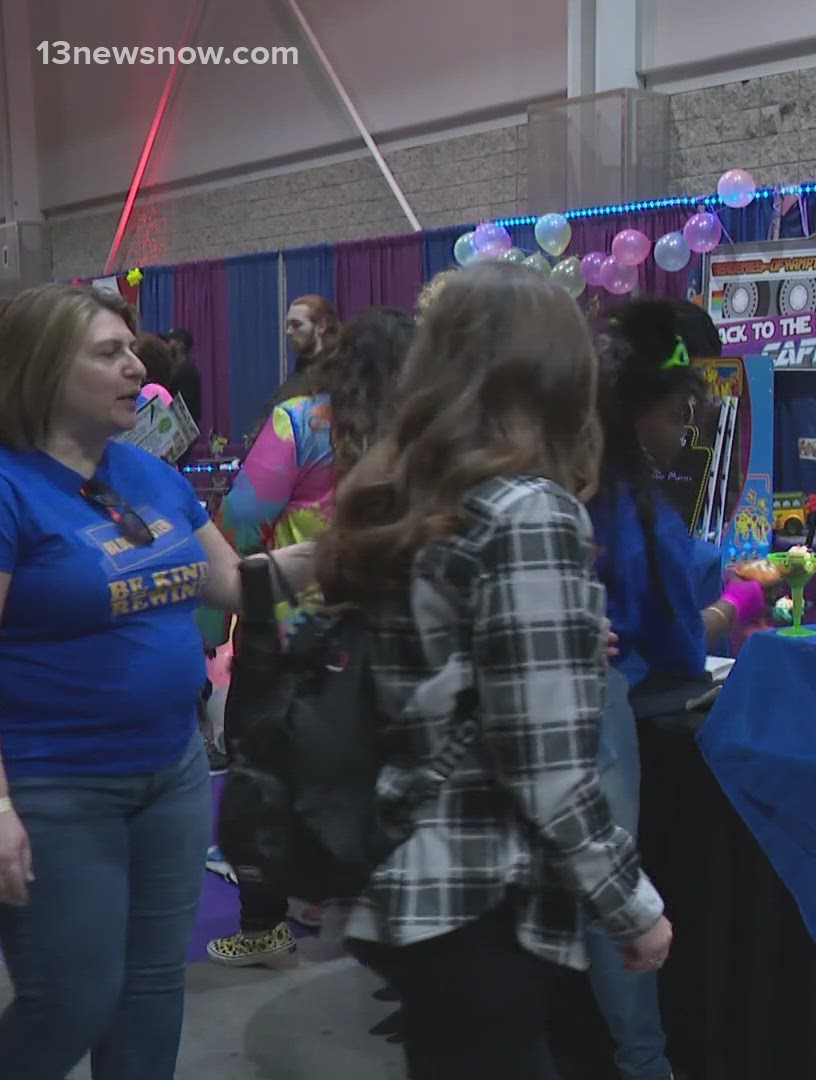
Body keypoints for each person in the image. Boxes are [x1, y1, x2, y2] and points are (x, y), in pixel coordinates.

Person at [321, 262, 671, 1079]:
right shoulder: (529, 511)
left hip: (415, 881)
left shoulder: (411, 493)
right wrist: (632, 907)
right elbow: (544, 762)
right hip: (484, 895)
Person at [0, 284, 312, 1079]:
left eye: (131, 349)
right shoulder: (9, 486)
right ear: (39, 370)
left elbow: (232, 585)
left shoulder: (146, 474)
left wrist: (352, 547)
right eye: (109, 353)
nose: (137, 369)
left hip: (169, 769)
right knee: (71, 996)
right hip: (55, 782)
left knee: (148, 991)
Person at [585, 297, 767, 1080]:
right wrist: (741, 606)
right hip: (604, 714)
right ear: (639, 414)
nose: (683, 432)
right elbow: (681, 650)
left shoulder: (586, 493)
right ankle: (645, 1060)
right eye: (674, 415)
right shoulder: (634, 513)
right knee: (612, 887)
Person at [203, 306, 415, 969]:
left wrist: (215, 624)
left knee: (266, 771)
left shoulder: (300, 423)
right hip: (397, 630)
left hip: (296, 627)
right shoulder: (428, 434)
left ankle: (267, 925)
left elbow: (241, 519)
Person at [284, 294, 341, 376]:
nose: (288, 331)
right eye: (289, 325)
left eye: (296, 324)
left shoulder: (343, 369)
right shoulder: (301, 365)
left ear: (322, 326)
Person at [162, 328, 202, 421]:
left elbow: (185, 406)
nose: (166, 345)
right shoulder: (174, 369)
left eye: (170, 341)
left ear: (180, 345)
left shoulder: (187, 371)